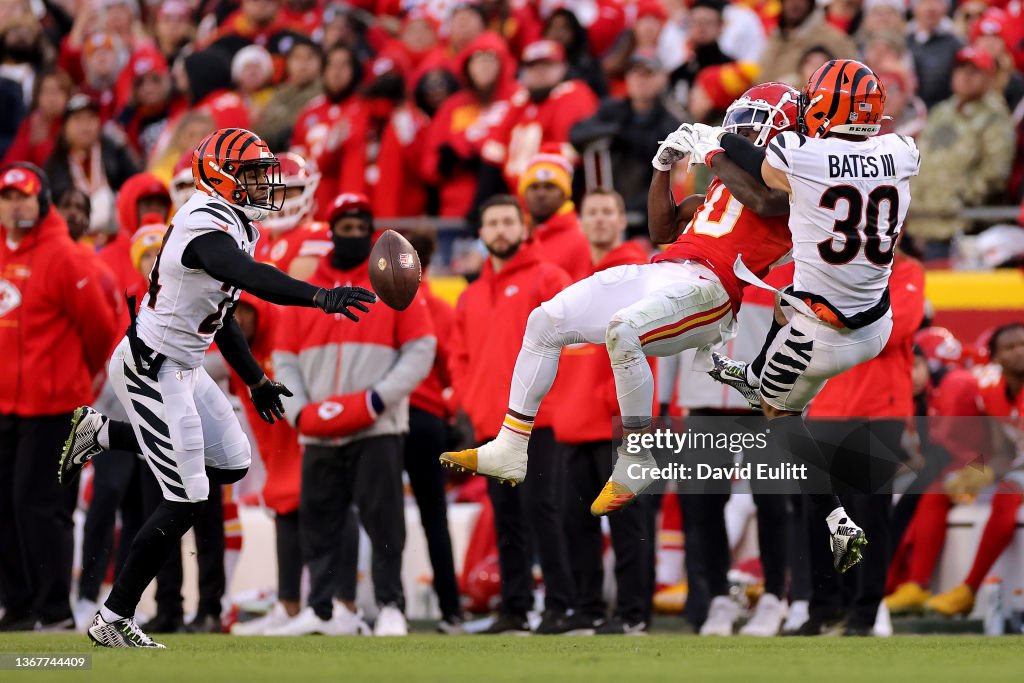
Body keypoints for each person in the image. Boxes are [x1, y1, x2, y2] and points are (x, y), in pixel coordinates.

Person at [57, 128, 378, 648]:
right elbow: (247, 277)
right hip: (149, 368)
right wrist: (322, 296)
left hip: (184, 366)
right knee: (187, 497)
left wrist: (254, 380)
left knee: (231, 463)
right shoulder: (204, 222)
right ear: (221, 178)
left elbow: (222, 312)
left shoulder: (233, 223)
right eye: (250, 174)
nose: (262, 184)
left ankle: (105, 434)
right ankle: (111, 618)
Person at [440, 83, 797, 518]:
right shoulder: (719, 194)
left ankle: (636, 458)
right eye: (742, 121)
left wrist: (713, 151)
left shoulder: (793, 193)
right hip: (666, 271)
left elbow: (762, 198)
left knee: (623, 330)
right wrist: (661, 167)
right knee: (545, 320)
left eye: (756, 122)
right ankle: (511, 445)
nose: (744, 129)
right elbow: (663, 231)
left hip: (714, 292)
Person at [698, 59, 920, 574]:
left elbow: (756, 171)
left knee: (778, 418)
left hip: (825, 331)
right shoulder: (902, 150)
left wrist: (716, 140)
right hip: (875, 320)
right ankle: (755, 371)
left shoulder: (801, 153)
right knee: (786, 294)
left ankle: (837, 521)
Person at [270, 193, 435, 638]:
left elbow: (421, 349)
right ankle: (322, 609)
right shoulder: (304, 289)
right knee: (319, 522)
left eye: (363, 229)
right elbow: (282, 357)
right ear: (331, 233)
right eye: (346, 229)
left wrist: (380, 399)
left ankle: (389, 606)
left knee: (384, 522)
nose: (355, 237)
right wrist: (299, 411)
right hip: (319, 431)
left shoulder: (394, 282)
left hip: (377, 427)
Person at [446, 194, 575, 634]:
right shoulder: (471, 295)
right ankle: (515, 608)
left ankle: (561, 606)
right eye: (492, 223)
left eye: (507, 222)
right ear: (481, 234)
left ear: (523, 229)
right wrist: (472, 399)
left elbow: (571, 343)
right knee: (507, 519)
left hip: (540, 422)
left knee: (543, 512)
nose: (500, 230)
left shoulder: (548, 277)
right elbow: (458, 358)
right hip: (490, 425)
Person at [0, 162, 119, 631]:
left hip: (54, 408)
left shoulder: (66, 256)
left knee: (41, 507)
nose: (14, 205)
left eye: (23, 196)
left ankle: (55, 611)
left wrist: (79, 380)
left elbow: (99, 329)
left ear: (42, 199)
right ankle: (19, 605)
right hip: (6, 404)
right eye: (6, 197)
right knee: (5, 505)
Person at [554, 188, 657, 635]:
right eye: (591, 213)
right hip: (574, 420)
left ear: (621, 220)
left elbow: (645, 344)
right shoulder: (581, 279)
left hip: (617, 423)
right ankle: (589, 608)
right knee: (577, 522)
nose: (598, 220)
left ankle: (633, 614)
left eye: (607, 212)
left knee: (627, 522)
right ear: (581, 222)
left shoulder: (635, 275)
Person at [887, 323, 1024, 618]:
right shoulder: (991, 390)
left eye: (1022, 345)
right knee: (938, 489)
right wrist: (979, 471)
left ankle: (969, 589)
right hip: (1010, 463)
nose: (1019, 352)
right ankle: (916, 584)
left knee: (1008, 491)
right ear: (995, 358)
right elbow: (999, 450)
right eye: (1010, 348)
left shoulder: (957, 386)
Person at [906, 46, 1015, 257]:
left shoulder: (995, 118)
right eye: (960, 70)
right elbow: (921, 157)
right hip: (918, 220)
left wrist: (958, 199)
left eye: (973, 72)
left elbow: (995, 173)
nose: (965, 77)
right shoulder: (941, 111)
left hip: (958, 226)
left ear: (988, 78)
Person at [571, 51, 682, 222]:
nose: (640, 80)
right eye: (635, 73)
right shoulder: (613, 109)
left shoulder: (670, 122)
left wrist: (622, 136)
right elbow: (576, 133)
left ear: (662, 79)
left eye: (648, 74)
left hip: (648, 204)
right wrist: (616, 133)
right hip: (608, 194)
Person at [517, 150, 590, 282]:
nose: (541, 194)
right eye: (534, 187)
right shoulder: (515, 237)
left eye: (549, 187)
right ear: (524, 194)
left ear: (564, 195)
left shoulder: (581, 240)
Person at [757, 0, 859, 86]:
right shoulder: (774, 36)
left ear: (811, 3)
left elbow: (851, 82)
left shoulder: (835, 40)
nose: (795, 3)